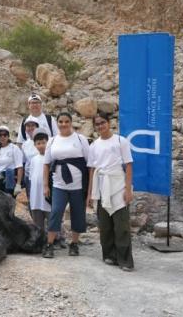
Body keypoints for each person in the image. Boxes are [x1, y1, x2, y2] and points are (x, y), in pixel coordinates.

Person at [87, 113, 134, 271]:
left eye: (103, 122)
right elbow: (92, 169)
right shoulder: (94, 145)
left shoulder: (121, 141)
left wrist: (128, 189)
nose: (101, 126)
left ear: (109, 123)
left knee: (122, 225)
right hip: (101, 186)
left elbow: (128, 166)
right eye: (97, 124)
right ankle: (109, 255)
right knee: (105, 225)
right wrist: (89, 194)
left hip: (117, 184)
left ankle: (125, 260)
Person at [42, 112, 90, 259]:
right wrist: (45, 185)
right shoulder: (52, 140)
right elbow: (46, 164)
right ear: (57, 123)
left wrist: (89, 190)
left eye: (66, 121)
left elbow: (89, 165)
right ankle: (50, 244)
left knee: (78, 213)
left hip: (78, 185)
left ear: (71, 122)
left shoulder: (80, 139)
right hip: (58, 184)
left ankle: (74, 244)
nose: (63, 124)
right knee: (56, 212)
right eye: (61, 121)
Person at [27, 132, 52, 229]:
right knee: (37, 224)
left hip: (47, 195)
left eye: (43, 142)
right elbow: (31, 178)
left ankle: (54, 240)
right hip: (35, 197)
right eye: (38, 143)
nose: (41, 145)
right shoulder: (33, 160)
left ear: (48, 143)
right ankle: (40, 241)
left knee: (52, 221)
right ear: (35, 145)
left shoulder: (52, 158)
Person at [0, 126, 24, 195]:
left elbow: (19, 167)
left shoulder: (14, 148)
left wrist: (18, 184)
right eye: (0, 135)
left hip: (9, 182)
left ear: (8, 136)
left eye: (5, 135)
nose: (2, 137)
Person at [21, 115, 40, 193]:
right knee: (31, 201)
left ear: (37, 127)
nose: (30, 128)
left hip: (41, 176)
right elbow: (24, 162)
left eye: (33, 125)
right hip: (28, 177)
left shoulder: (45, 141)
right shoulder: (25, 144)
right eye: (28, 126)